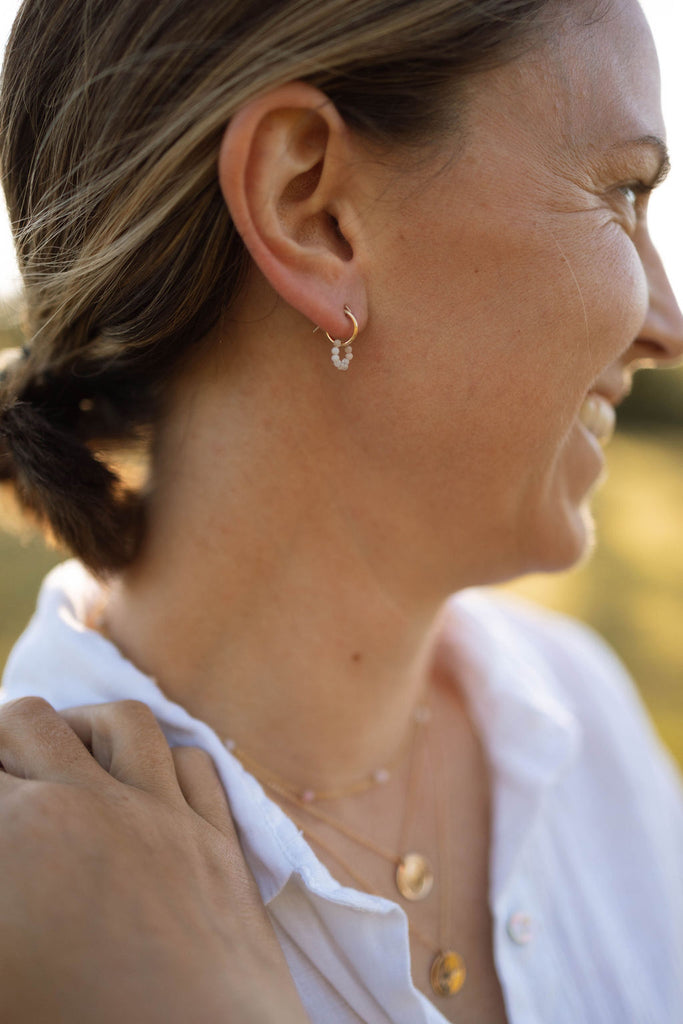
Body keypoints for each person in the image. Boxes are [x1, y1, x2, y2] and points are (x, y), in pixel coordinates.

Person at [0, 0, 682, 1021]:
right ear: (308, 208)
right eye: (621, 191)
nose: (664, 325)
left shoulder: (573, 711)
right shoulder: (28, 915)